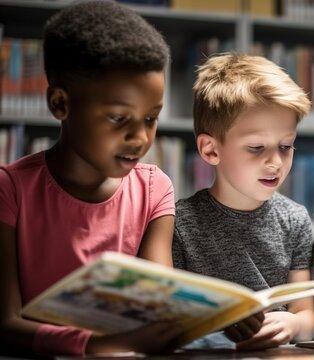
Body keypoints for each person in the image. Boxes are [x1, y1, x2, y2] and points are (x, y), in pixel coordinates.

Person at [0, 1, 180, 356]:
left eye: (150, 119)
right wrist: (96, 345)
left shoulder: (154, 188)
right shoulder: (11, 190)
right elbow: (4, 324)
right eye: (118, 119)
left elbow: (160, 307)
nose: (141, 139)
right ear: (60, 104)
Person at [172, 53, 314, 350]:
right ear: (211, 150)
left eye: (286, 146)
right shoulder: (178, 223)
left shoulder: (295, 220)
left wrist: (293, 324)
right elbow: (171, 322)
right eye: (256, 148)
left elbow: (306, 316)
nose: (275, 162)